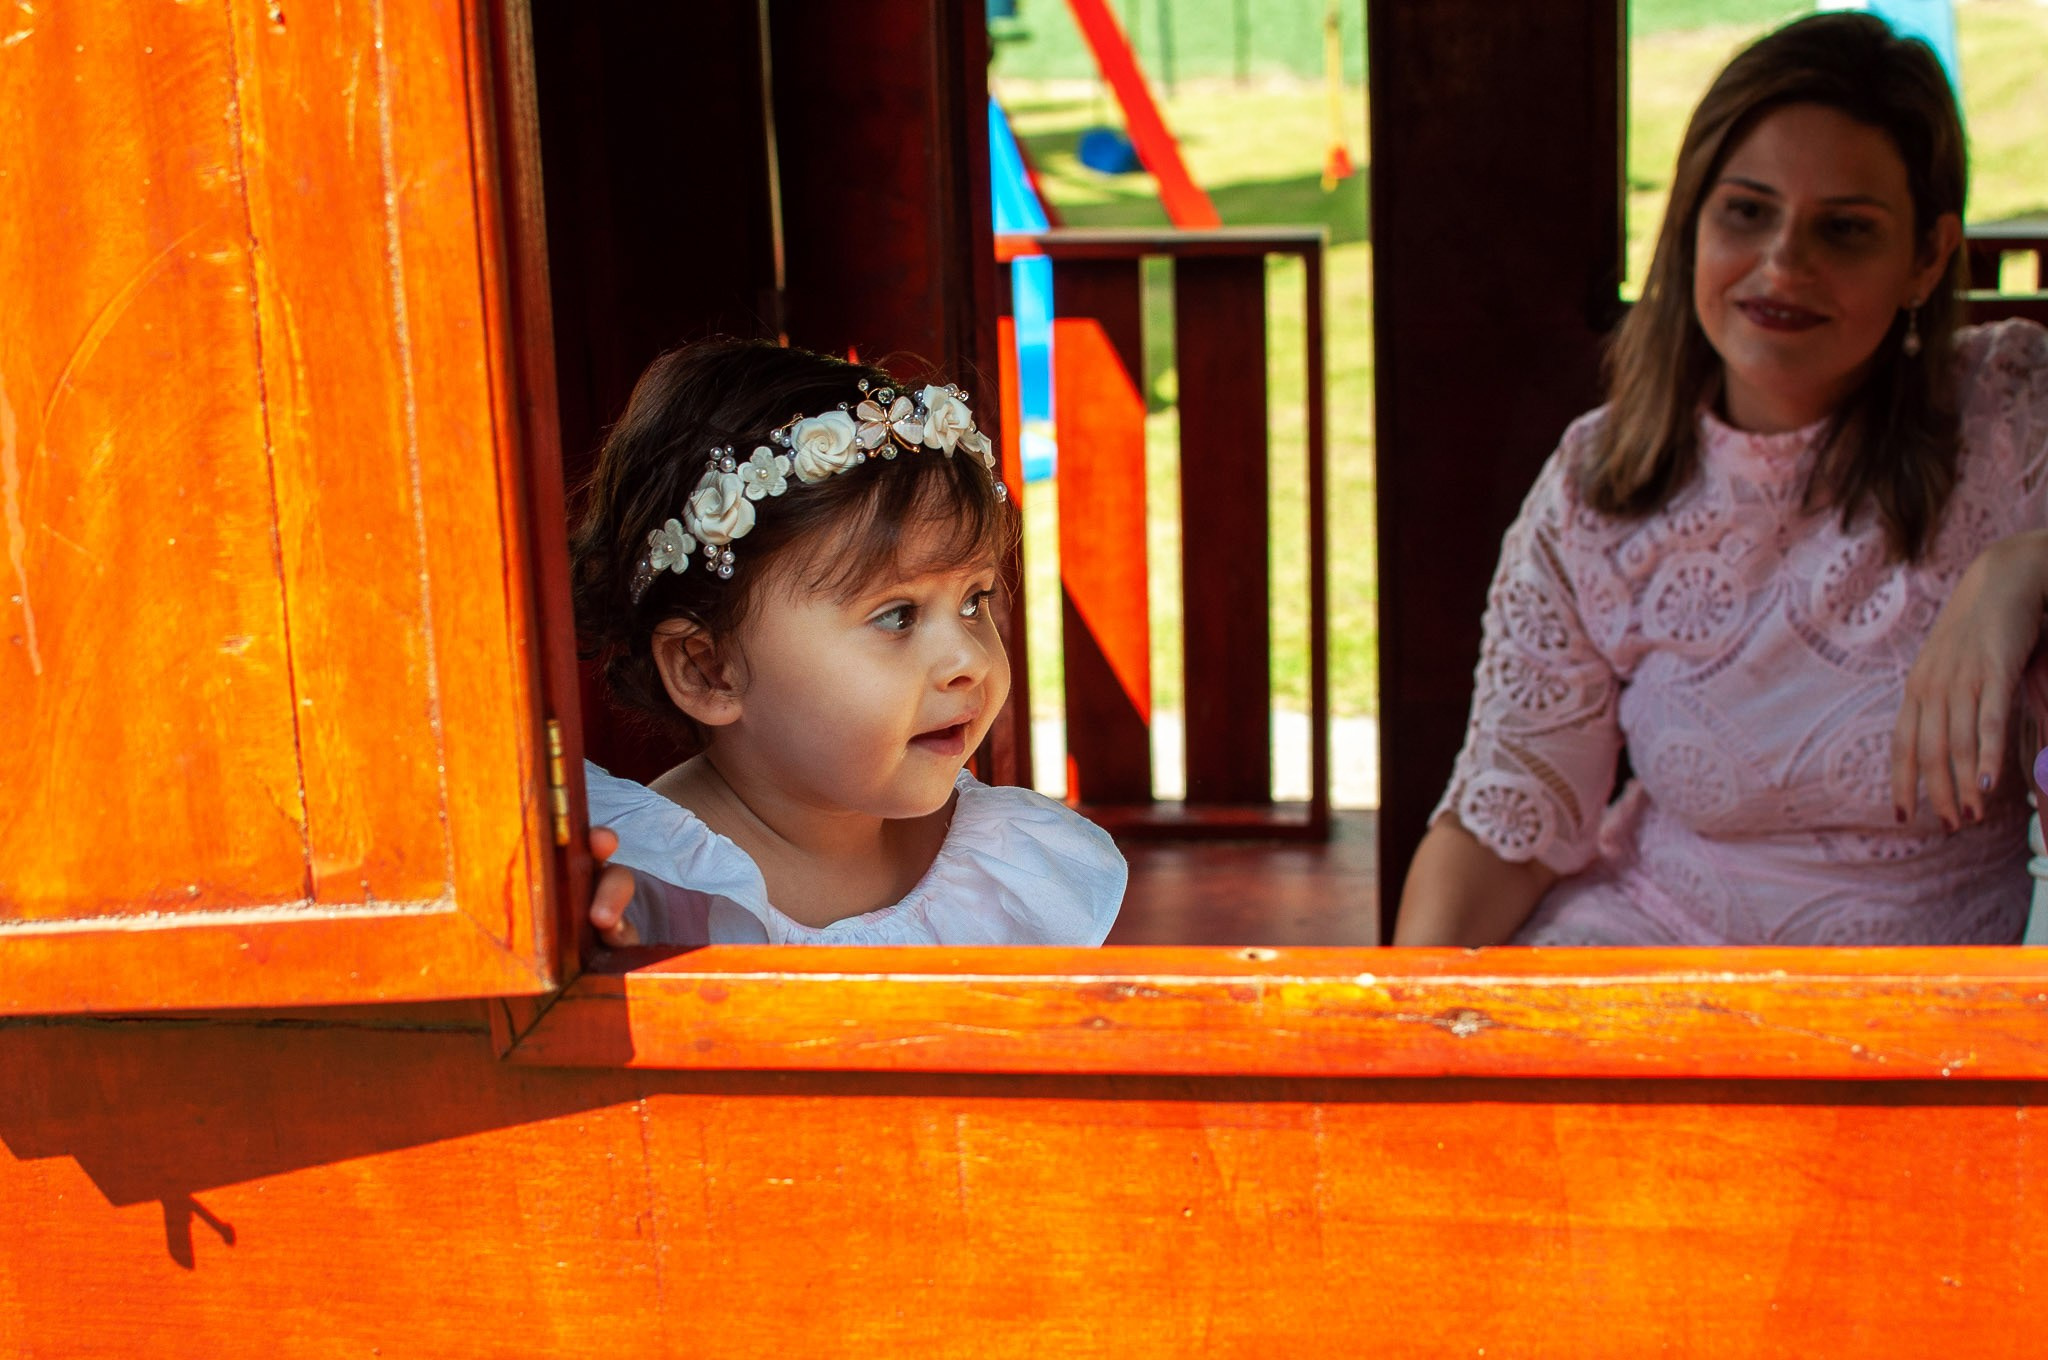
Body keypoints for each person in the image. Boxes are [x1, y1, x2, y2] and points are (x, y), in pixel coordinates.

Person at [1395, 12, 2048, 946]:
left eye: (1845, 229)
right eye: (1747, 211)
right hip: (1650, 946)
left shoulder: (2011, 412)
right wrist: (1397, 1018)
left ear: (1927, 257)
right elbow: (1511, 827)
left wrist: (2021, 568)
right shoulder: (1598, 481)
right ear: (1690, 223)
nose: (1784, 263)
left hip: (1946, 989)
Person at [571, 340, 1125, 946]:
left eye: (973, 601)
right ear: (709, 670)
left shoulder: (1002, 869)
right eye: (897, 616)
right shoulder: (645, 889)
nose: (969, 660)